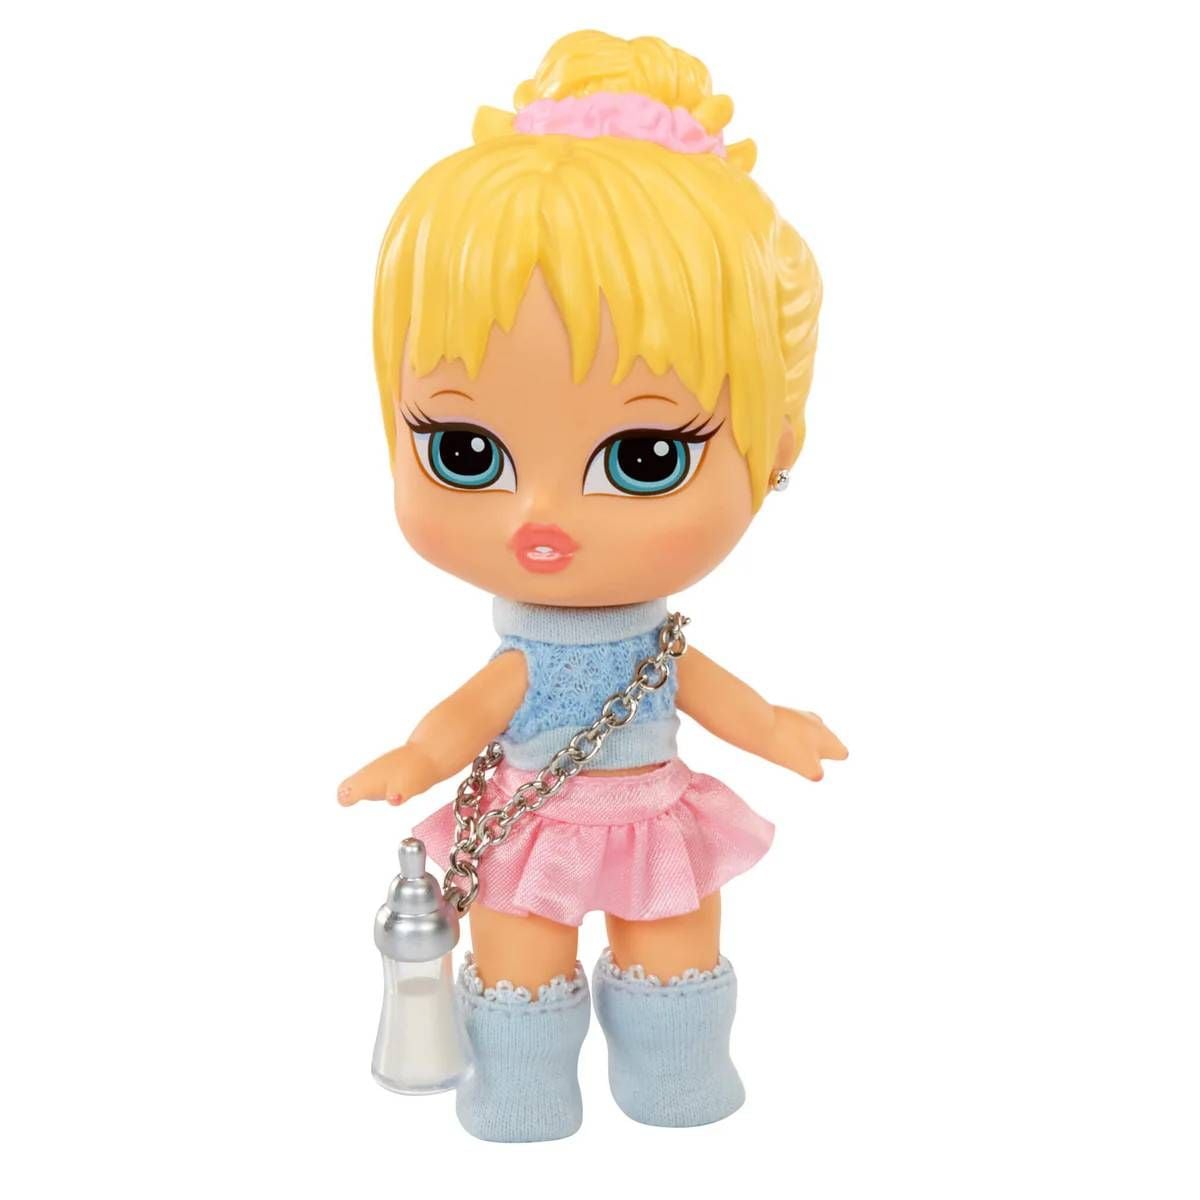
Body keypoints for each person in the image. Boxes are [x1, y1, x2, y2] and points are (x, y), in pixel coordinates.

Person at [339, 28, 847, 1141]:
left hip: (655, 818)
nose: (542, 518)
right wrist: (417, 758)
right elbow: (474, 710)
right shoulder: (533, 653)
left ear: (775, 450)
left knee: (675, 956)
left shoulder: (655, 645)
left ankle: (678, 1087)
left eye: (645, 458)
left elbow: (712, 693)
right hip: (528, 827)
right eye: (466, 451)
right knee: (517, 965)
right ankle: (520, 1101)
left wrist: (775, 728)